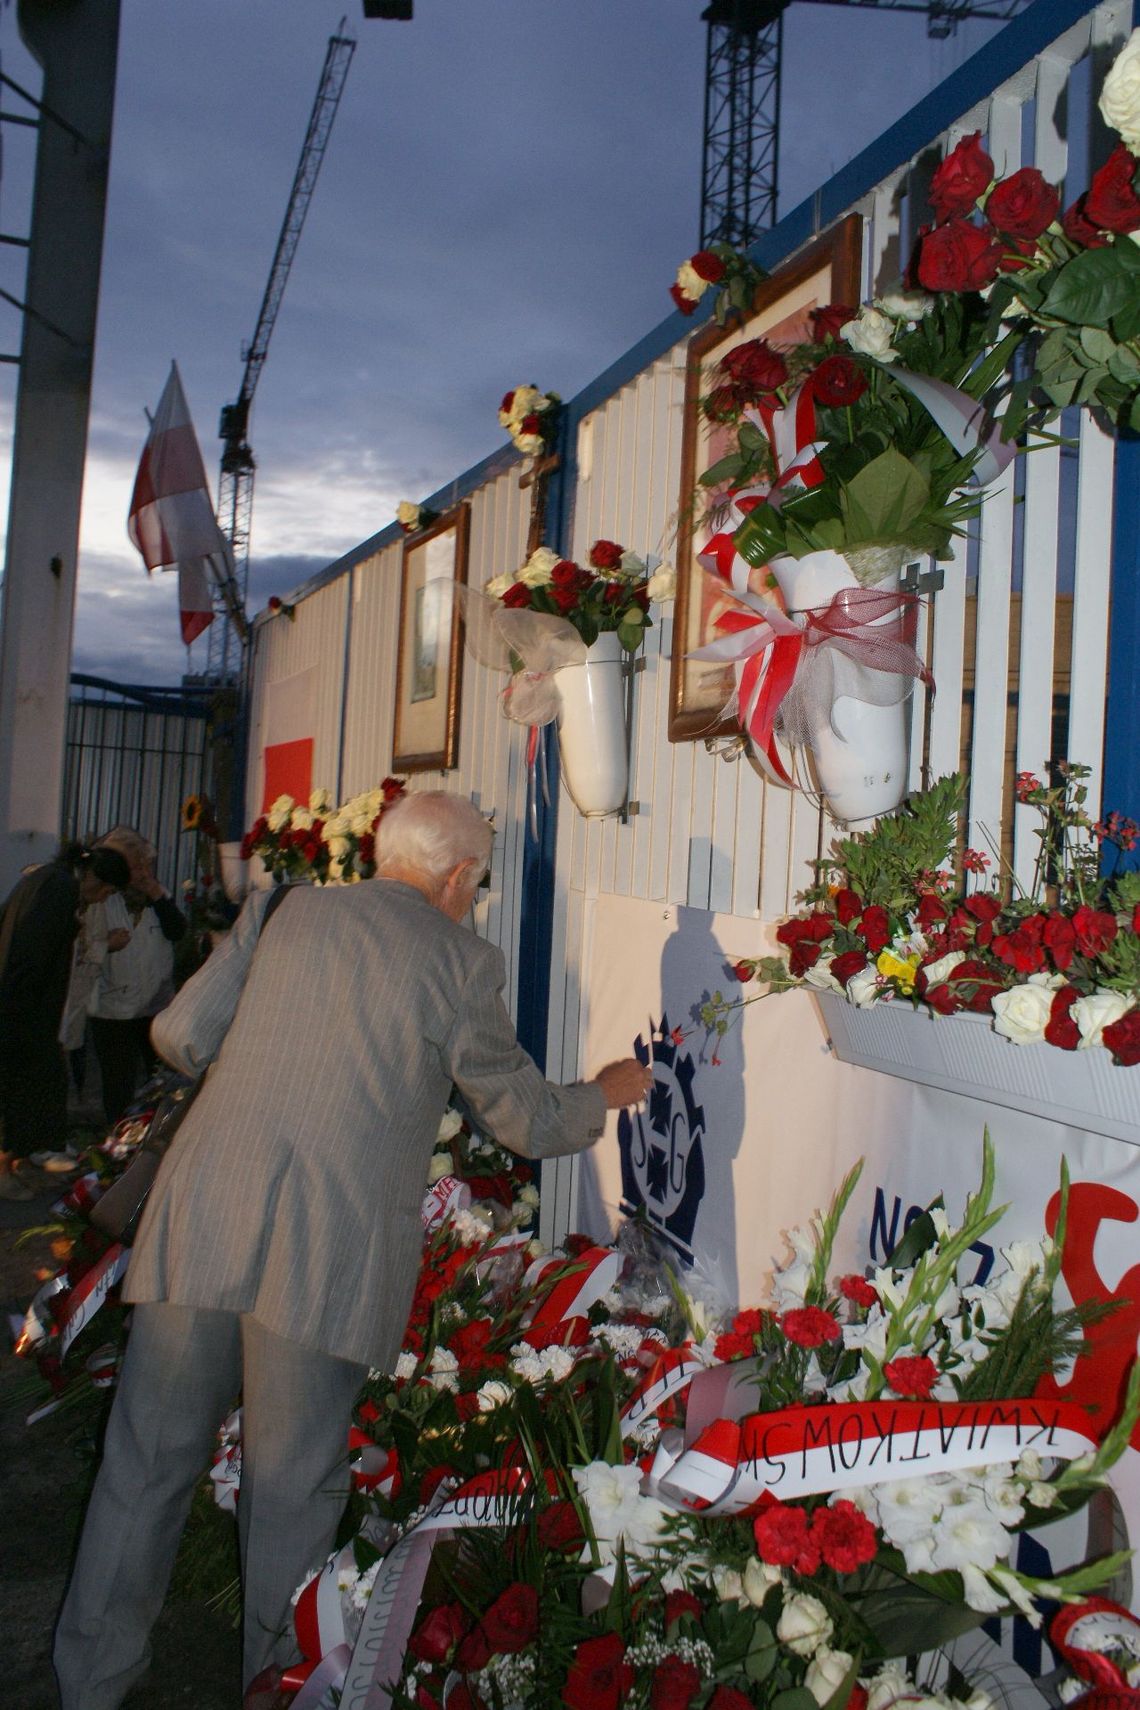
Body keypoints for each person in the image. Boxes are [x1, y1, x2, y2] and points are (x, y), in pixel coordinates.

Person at [54, 792, 652, 1709]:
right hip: (324, 1249)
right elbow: (524, 1119)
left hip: (205, 1214)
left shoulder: (282, 908)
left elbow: (176, 1036)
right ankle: (274, 1689)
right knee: (292, 1492)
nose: (476, 897)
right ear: (456, 878)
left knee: (144, 1463)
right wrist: (602, 1093)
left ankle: (89, 1681)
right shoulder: (459, 958)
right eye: (479, 881)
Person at [0, 842, 130, 1200]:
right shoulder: (58, 890)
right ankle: (6, 1169)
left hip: (26, 1004)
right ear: (91, 876)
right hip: (24, 1006)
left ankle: (20, 1164)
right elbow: (30, 954)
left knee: (31, 1085)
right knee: (20, 1086)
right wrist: (27, 1014)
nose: (103, 898)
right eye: (106, 890)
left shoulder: (49, 880)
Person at [87, 827, 187, 1126]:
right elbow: (84, 946)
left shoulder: (159, 896)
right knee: (118, 1082)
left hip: (155, 1006)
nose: (142, 872)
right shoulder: (103, 900)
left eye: (145, 864)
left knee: (160, 1079)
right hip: (112, 1008)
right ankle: (116, 1141)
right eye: (135, 865)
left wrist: (156, 894)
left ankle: (154, 1133)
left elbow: (178, 931)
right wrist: (106, 944)